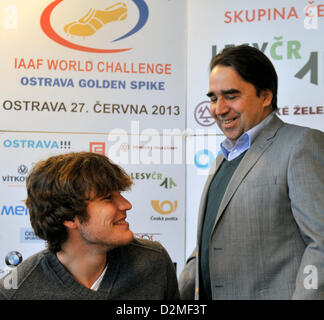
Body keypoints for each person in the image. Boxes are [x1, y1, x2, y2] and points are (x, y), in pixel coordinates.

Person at [179, 45, 324, 300]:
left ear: (265, 97)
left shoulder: (301, 144)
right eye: (213, 98)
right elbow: (208, 246)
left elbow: (320, 243)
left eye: (231, 96)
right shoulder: (223, 157)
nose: (219, 109)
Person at [0, 152, 179, 300]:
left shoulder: (154, 262)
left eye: (120, 194)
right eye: (108, 197)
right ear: (69, 217)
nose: (126, 205)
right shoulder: (16, 291)